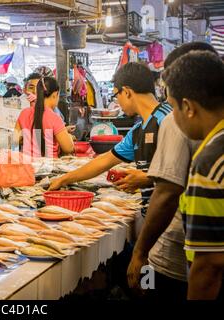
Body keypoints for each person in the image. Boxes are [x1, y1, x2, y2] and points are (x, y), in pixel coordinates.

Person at [127, 42, 219, 300]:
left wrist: (139, 253)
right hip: (188, 255)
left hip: (169, 256)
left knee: (146, 290)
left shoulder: (174, 124)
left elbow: (167, 192)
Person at [49, 62, 172, 218]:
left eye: (116, 95)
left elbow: (184, 167)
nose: (117, 102)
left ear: (126, 92)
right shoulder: (138, 131)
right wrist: (64, 179)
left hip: (173, 216)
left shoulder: (167, 119)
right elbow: (104, 161)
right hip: (154, 214)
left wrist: (147, 178)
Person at [163, 51, 224, 300]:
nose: (173, 116)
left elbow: (209, 264)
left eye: (173, 107)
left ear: (187, 107)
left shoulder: (210, 162)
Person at [14, 77, 74, 158]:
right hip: (49, 167)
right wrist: (69, 137)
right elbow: (68, 148)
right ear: (55, 95)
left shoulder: (24, 113)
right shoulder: (54, 118)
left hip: (26, 167)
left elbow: (15, 140)